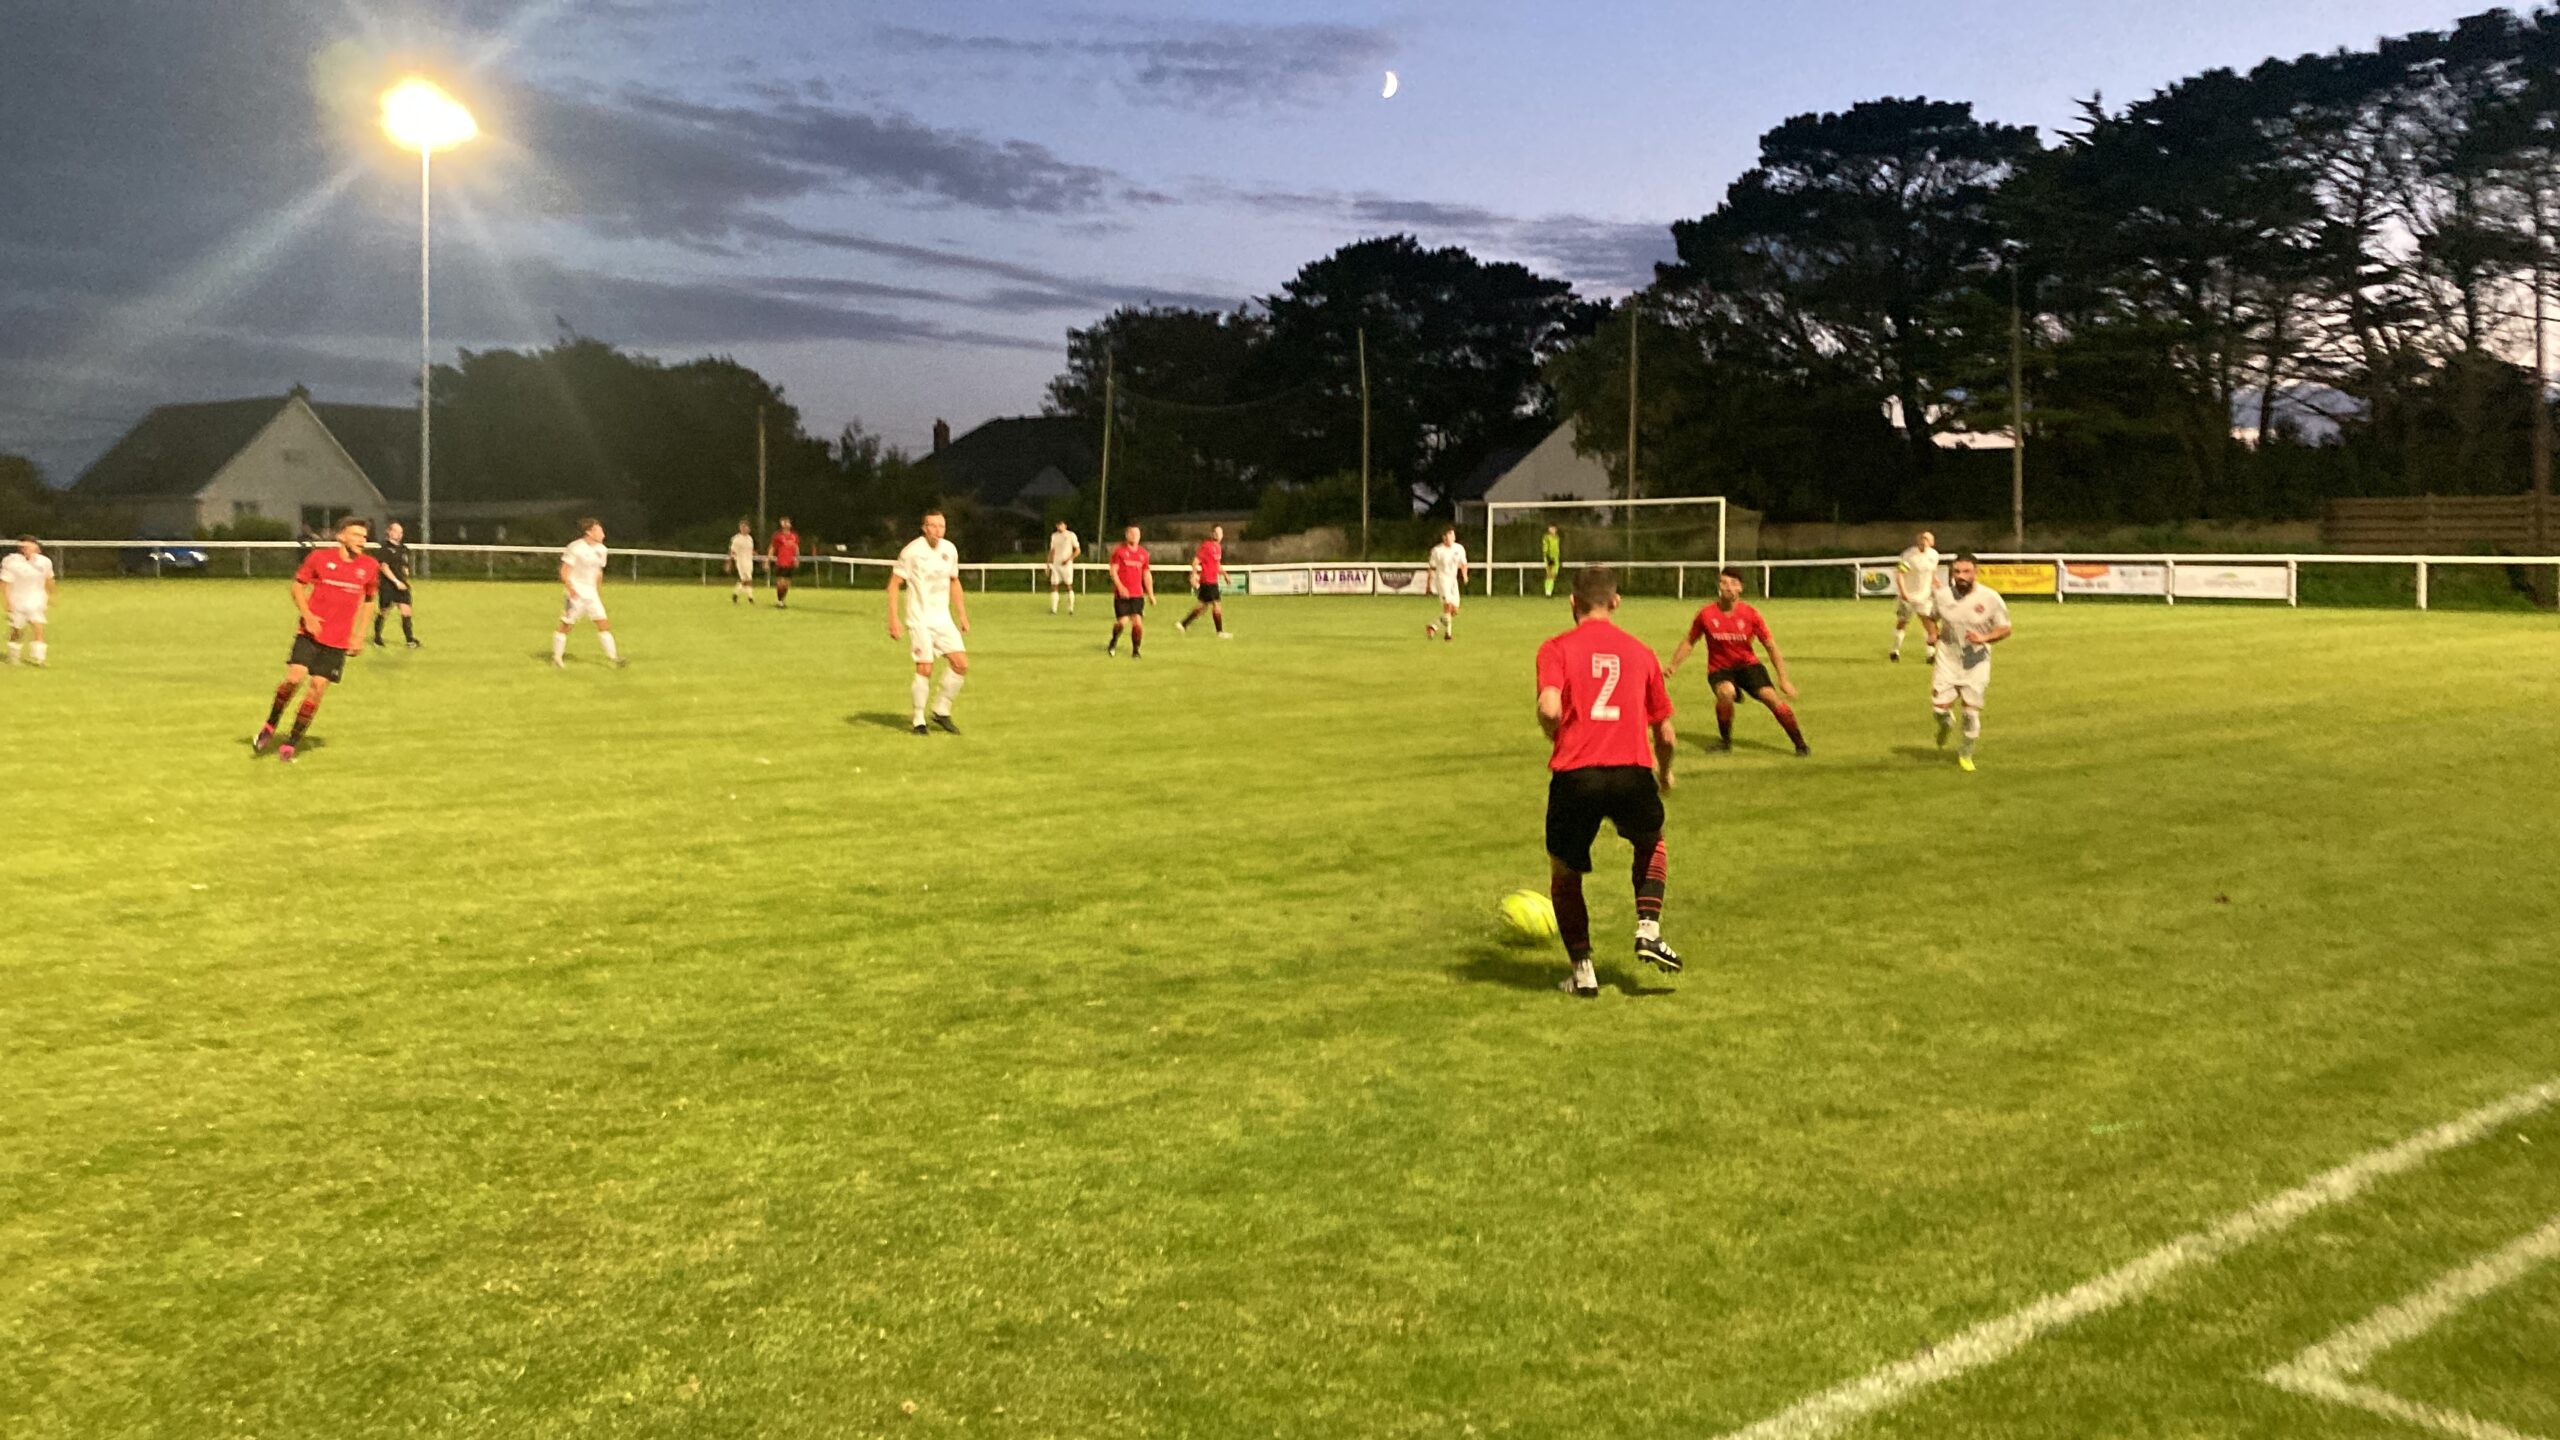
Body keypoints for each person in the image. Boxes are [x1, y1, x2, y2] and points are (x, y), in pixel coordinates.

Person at [1536, 566, 1682, 997]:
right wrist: (1665, 772)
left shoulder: (1556, 648)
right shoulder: (1641, 652)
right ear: (1616, 602)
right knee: (1651, 843)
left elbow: (1549, 708)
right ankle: (1648, 928)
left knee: (1565, 871)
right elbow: (1666, 734)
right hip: (1631, 770)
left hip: (1576, 774)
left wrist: (1557, 735)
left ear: (1573, 602)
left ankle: (1583, 971)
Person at [252, 516, 379, 763]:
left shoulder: (369, 566)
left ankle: (291, 742)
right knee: (293, 679)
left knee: (317, 688)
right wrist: (308, 616)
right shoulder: (319, 558)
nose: (362, 540)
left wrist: (360, 635)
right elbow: (297, 586)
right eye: (356, 535)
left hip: (338, 640)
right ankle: (270, 724)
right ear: (341, 536)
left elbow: (369, 600)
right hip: (310, 634)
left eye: (364, 536)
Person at [1667, 567, 1809, 756]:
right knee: (1726, 692)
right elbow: (1690, 641)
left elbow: (1771, 646)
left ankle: (1800, 745)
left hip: (1748, 666)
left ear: (1740, 588)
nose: (1728, 587)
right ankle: (1725, 742)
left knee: (1770, 697)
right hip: (1720, 669)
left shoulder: (1751, 614)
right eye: (1724, 582)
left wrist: (1783, 680)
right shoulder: (1706, 614)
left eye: (1733, 583)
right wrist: (1673, 665)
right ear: (1719, 586)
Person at [886, 508, 971, 734]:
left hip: (942, 618)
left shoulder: (949, 550)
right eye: (932, 525)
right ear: (924, 528)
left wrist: (962, 614)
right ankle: (918, 720)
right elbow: (894, 585)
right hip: (919, 619)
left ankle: (941, 710)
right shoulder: (912, 551)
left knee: (961, 664)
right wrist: (893, 619)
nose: (937, 530)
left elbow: (954, 581)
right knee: (925, 667)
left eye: (941, 526)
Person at [1931, 553, 2013, 772]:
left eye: (1966, 571)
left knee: (1970, 713)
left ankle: (1965, 754)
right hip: (1947, 660)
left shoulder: (1990, 598)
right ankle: (1946, 725)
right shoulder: (1942, 596)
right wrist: (1932, 633)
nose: (1961, 576)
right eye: (1957, 571)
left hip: (1977, 663)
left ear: (1976, 572)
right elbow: (1930, 616)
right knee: (1938, 710)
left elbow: (2005, 628)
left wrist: (1984, 638)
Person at [552, 518, 624, 668]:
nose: (603, 534)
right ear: (589, 532)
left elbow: (598, 571)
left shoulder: (602, 550)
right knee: (566, 625)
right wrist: (571, 589)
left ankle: (613, 658)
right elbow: (565, 570)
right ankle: (557, 658)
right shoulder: (575, 547)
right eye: (599, 531)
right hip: (576, 592)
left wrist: (597, 590)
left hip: (591, 593)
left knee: (603, 623)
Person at [4, 535, 56, 667]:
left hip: (36, 600)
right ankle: (13, 657)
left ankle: (40, 659)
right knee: (17, 630)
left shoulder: (44, 562)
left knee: (38, 627)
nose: (27, 549)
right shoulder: (11, 562)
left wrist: (51, 595)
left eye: (31, 546)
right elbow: (5, 583)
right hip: (17, 600)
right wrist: (8, 602)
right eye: (24, 547)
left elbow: (49, 579)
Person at [1890, 528, 1941, 663]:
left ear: (1932, 542)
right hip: (1908, 595)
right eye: (1922, 538)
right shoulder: (1909, 555)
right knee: (1902, 622)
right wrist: (1903, 592)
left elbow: (1932, 573)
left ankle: (1930, 654)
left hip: (1924, 596)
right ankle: (1895, 650)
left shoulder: (1934, 555)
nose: (1924, 541)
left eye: (1927, 539)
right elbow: (1900, 574)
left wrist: (1938, 585)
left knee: (1929, 624)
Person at [369, 520, 419, 648]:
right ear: (389, 532)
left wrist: (405, 572)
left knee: (406, 611)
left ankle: (410, 640)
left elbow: (404, 564)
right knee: (384, 611)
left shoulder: (403, 549)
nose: (399, 534)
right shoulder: (385, 548)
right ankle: (377, 638)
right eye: (396, 531)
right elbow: (384, 567)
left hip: (402, 585)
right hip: (388, 586)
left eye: (401, 532)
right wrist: (395, 581)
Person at [1106, 525, 1154, 658]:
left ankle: (1136, 651)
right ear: (1126, 535)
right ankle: (1113, 641)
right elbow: (1113, 571)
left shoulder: (1143, 554)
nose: (1134, 536)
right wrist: (1120, 587)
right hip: (1122, 595)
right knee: (1122, 622)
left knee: (1137, 622)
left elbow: (1146, 574)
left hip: (1137, 594)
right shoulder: (1119, 552)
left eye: (1137, 534)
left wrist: (1150, 594)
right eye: (1132, 533)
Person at [1178, 524, 1233, 638]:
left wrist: (1225, 575)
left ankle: (1183, 624)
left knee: (1202, 607)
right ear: (1212, 534)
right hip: (1208, 581)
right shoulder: (1206, 546)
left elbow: (1217, 564)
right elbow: (1195, 561)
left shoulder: (1218, 548)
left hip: (1213, 580)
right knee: (1216, 605)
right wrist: (1194, 575)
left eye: (1220, 533)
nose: (1218, 535)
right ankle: (1220, 632)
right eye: (1216, 532)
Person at [1425, 526, 1469, 640]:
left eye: (1453, 535)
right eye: (1450, 535)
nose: (1453, 537)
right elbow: (1432, 568)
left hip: (1453, 581)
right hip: (1442, 580)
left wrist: (1464, 575)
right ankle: (1448, 634)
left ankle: (1433, 626)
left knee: (1454, 610)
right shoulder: (1437, 551)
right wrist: (1428, 584)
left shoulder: (1459, 548)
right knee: (1448, 606)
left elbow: (1464, 563)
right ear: (1444, 537)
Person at [1047, 520, 1080, 615]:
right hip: (1056, 564)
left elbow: (1077, 550)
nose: (1059, 527)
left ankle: (1071, 608)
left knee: (1068, 585)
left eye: (1061, 525)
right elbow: (1052, 550)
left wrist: (1069, 559)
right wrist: (1048, 563)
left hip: (1067, 565)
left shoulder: (1071, 535)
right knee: (1054, 585)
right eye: (1058, 525)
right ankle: (1054, 609)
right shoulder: (1054, 536)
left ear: (1065, 525)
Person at [768, 517, 801, 609]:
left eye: (787, 522)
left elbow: (796, 547)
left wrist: (797, 559)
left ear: (790, 524)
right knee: (780, 583)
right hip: (781, 562)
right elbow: (772, 547)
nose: (786, 524)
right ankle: (779, 601)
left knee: (786, 584)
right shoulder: (778, 535)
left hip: (790, 563)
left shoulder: (794, 536)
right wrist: (768, 559)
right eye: (784, 522)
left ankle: (782, 601)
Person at [728, 519, 757, 604]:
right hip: (741, 561)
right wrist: (729, 562)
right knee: (746, 580)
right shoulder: (736, 539)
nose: (744, 528)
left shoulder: (750, 538)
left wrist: (755, 553)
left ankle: (743, 596)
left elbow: (750, 549)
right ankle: (747, 597)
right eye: (742, 527)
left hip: (749, 561)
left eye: (746, 527)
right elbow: (732, 551)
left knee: (747, 580)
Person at [1541, 523, 1563, 598]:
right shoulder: (1546, 537)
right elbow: (1545, 547)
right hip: (1550, 558)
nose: (1553, 530)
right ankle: (1548, 592)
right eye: (1551, 528)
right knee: (1550, 574)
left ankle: (1549, 591)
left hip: (1556, 558)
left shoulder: (1557, 537)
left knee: (1553, 575)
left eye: (1554, 528)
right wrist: (1547, 557)